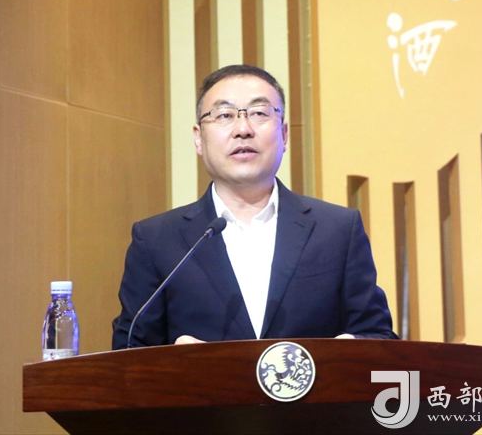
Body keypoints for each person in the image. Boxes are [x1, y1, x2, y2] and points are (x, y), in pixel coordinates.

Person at [112, 65, 397, 349]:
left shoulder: (337, 230)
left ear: (284, 134)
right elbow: (127, 352)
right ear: (198, 138)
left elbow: (380, 337)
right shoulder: (157, 240)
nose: (243, 130)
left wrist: (350, 351)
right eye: (224, 115)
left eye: (259, 113)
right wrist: (175, 365)